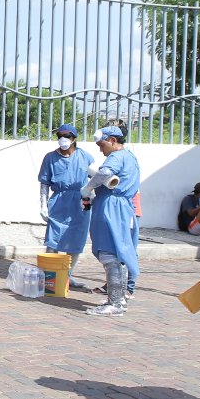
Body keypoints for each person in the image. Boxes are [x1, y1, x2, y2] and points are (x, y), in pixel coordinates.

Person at [81, 125, 141, 316]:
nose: (100, 149)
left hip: (111, 206)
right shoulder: (131, 157)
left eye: (102, 144)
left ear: (113, 141)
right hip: (123, 207)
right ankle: (119, 300)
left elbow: (106, 173)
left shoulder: (116, 156)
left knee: (109, 253)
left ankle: (115, 303)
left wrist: (88, 188)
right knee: (119, 253)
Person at [38, 123, 93, 289]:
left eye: (67, 136)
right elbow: (44, 182)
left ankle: (67, 276)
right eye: (60, 135)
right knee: (53, 240)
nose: (63, 139)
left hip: (81, 200)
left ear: (74, 138)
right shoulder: (50, 158)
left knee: (76, 240)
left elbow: (96, 178)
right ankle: (50, 277)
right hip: (59, 200)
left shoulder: (85, 157)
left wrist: (90, 197)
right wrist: (42, 204)